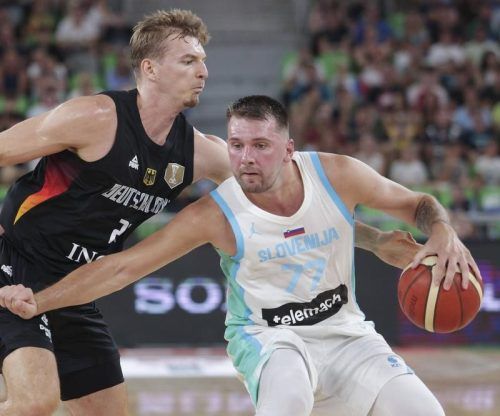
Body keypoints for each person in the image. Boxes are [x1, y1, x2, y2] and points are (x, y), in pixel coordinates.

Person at [0, 9, 417, 416]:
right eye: (188, 61)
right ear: (150, 69)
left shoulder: (201, 152)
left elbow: (292, 208)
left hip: (76, 287)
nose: (203, 71)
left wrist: (375, 240)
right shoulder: (94, 118)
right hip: (15, 265)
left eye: (202, 60)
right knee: (35, 402)